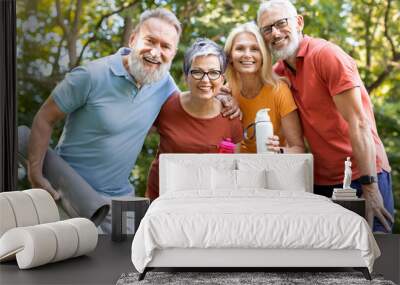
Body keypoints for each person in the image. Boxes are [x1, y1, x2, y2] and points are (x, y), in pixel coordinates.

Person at [26, 9, 238, 234]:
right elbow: (44, 118)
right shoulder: (90, 75)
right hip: (69, 191)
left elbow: (187, 109)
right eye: (150, 41)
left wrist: (223, 97)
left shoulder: (163, 83)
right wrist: (35, 173)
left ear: (173, 53)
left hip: (118, 199)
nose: (156, 52)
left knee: (129, 262)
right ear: (133, 39)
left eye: (165, 46)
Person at [257, 0, 394, 232]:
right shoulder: (279, 73)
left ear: (299, 22)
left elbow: (359, 123)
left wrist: (370, 189)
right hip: (321, 181)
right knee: (331, 261)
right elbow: (245, 85)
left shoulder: (326, 55)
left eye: (281, 23)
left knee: (376, 255)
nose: (275, 33)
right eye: (267, 29)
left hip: (364, 176)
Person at [146, 38, 243, 200]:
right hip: (163, 201)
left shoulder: (230, 116)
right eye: (197, 72)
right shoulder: (166, 105)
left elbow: (235, 172)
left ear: (222, 78)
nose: (205, 80)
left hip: (209, 204)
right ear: (186, 77)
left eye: (213, 73)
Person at [224, 22, 304, 154]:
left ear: (263, 56)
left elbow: (298, 149)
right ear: (230, 56)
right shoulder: (227, 92)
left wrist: (277, 151)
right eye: (240, 48)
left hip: (271, 168)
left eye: (255, 49)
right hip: (238, 169)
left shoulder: (279, 90)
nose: (247, 54)